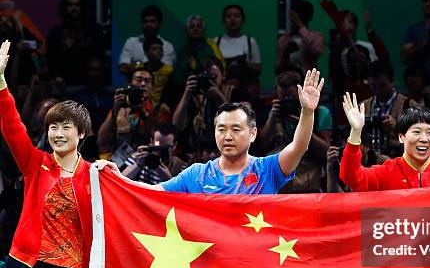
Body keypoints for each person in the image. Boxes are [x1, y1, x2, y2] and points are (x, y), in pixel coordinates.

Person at [96, 69, 325, 195]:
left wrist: (307, 112)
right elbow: (153, 192)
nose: (227, 136)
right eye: (221, 129)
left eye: (236, 129)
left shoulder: (267, 169)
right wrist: (118, 176)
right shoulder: (196, 174)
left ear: (253, 133)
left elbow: (299, 146)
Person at [0, 40, 93, 268]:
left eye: (66, 127)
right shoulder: (35, 165)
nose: (58, 134)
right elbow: (12, 126)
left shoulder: (94, 175)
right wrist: (1, 83)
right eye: (53, 127)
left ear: (82, 133)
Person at [339, 92, 430, 194]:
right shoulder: (386, 172)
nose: (424, 139)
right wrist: (356, 132)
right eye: (416, 132)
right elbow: (351, 177)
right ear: (401, 137)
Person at [118, 5, 176, 77]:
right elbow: (122, 68)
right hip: (135, 87)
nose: (148, 24)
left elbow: (166, 72)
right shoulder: (131, 42)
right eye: (145, 21)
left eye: (152, 21)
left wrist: (137, 66)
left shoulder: (167, 46)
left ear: (159, 24)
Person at [214, 5, 262, 78]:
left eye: (237, 16)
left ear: (243, 20)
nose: (232, 19)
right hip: (221, 86)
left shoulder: (250, 41)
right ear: (223, 21)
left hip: (244, 85)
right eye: (228, 16)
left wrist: (244, 66)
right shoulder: (217, 41)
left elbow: (258, 69)